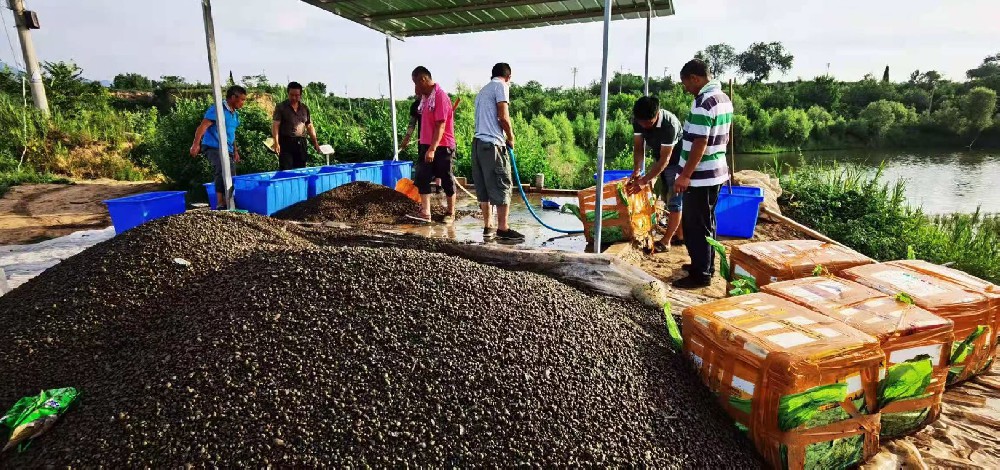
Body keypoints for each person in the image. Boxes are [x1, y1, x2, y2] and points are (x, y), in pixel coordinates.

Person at [672, 58, 733, 289]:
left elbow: (700, 142)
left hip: (701, 175)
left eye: (686, 83)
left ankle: (701, 274)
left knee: (696, 225)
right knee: (707, 221)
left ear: (695, 78)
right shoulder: (723, 98)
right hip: (716, 172)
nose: (686, 88)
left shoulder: (703, 102)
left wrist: (685, 175)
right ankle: (706, 264)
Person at [472, 63, 522, 241]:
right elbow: (503, 117)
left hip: (478, 144)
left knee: (484, 187)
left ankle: (488, 226)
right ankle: (503, 228)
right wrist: (511, 137)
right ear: (508, 77)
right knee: (502, 183)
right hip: (492, 145)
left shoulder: (482, 91)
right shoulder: (501, 86)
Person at [626, 96, 684, 250]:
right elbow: (639, 147)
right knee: (666, 197)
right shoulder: (638, 121)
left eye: (648, 123)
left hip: (678, 161)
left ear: (657, 114)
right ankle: (681, 235)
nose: (644, 126)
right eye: (641, 123)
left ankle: (666, 242)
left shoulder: (669, 125)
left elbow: (666, 159)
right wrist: (637, 169)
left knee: (674, 200)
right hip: (660, 157)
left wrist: (644, 180)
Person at [410, 66, 457, 222]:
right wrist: (427, 147)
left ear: (423, 79)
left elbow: (440, 125)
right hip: (426, 144)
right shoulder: (425, 99)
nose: (415, 88)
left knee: (446, 177)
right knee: (422, 176)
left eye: (416, 83)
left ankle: (450, 212)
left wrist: (432, 148)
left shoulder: (440, 97)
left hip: (442, 145)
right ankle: (426, 212)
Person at [190, 85, 248, 209]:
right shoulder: (218, 109)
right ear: (233, 97)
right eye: (242, 99)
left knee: (232, 173)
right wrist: (195, 144)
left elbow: (231, 134)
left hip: (228, 149)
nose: (243, 103)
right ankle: (220, 202)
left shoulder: (235, 114)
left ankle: (229, 202)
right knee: (222, 167)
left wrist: (235, 151)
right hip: (213, 146)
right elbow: (203, 126)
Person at [271, 82, 321, 170]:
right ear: (288, 93)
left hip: (301, 143)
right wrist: (276, 143)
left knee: (301, 169)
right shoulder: (281, 107)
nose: (294, 97)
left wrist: (315, 142)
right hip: (286, 142)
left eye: (297, 95)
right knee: (286, 169)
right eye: (292, 95)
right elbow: (275, 125)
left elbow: (309, 125)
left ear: (300, 95)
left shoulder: (305, 108)